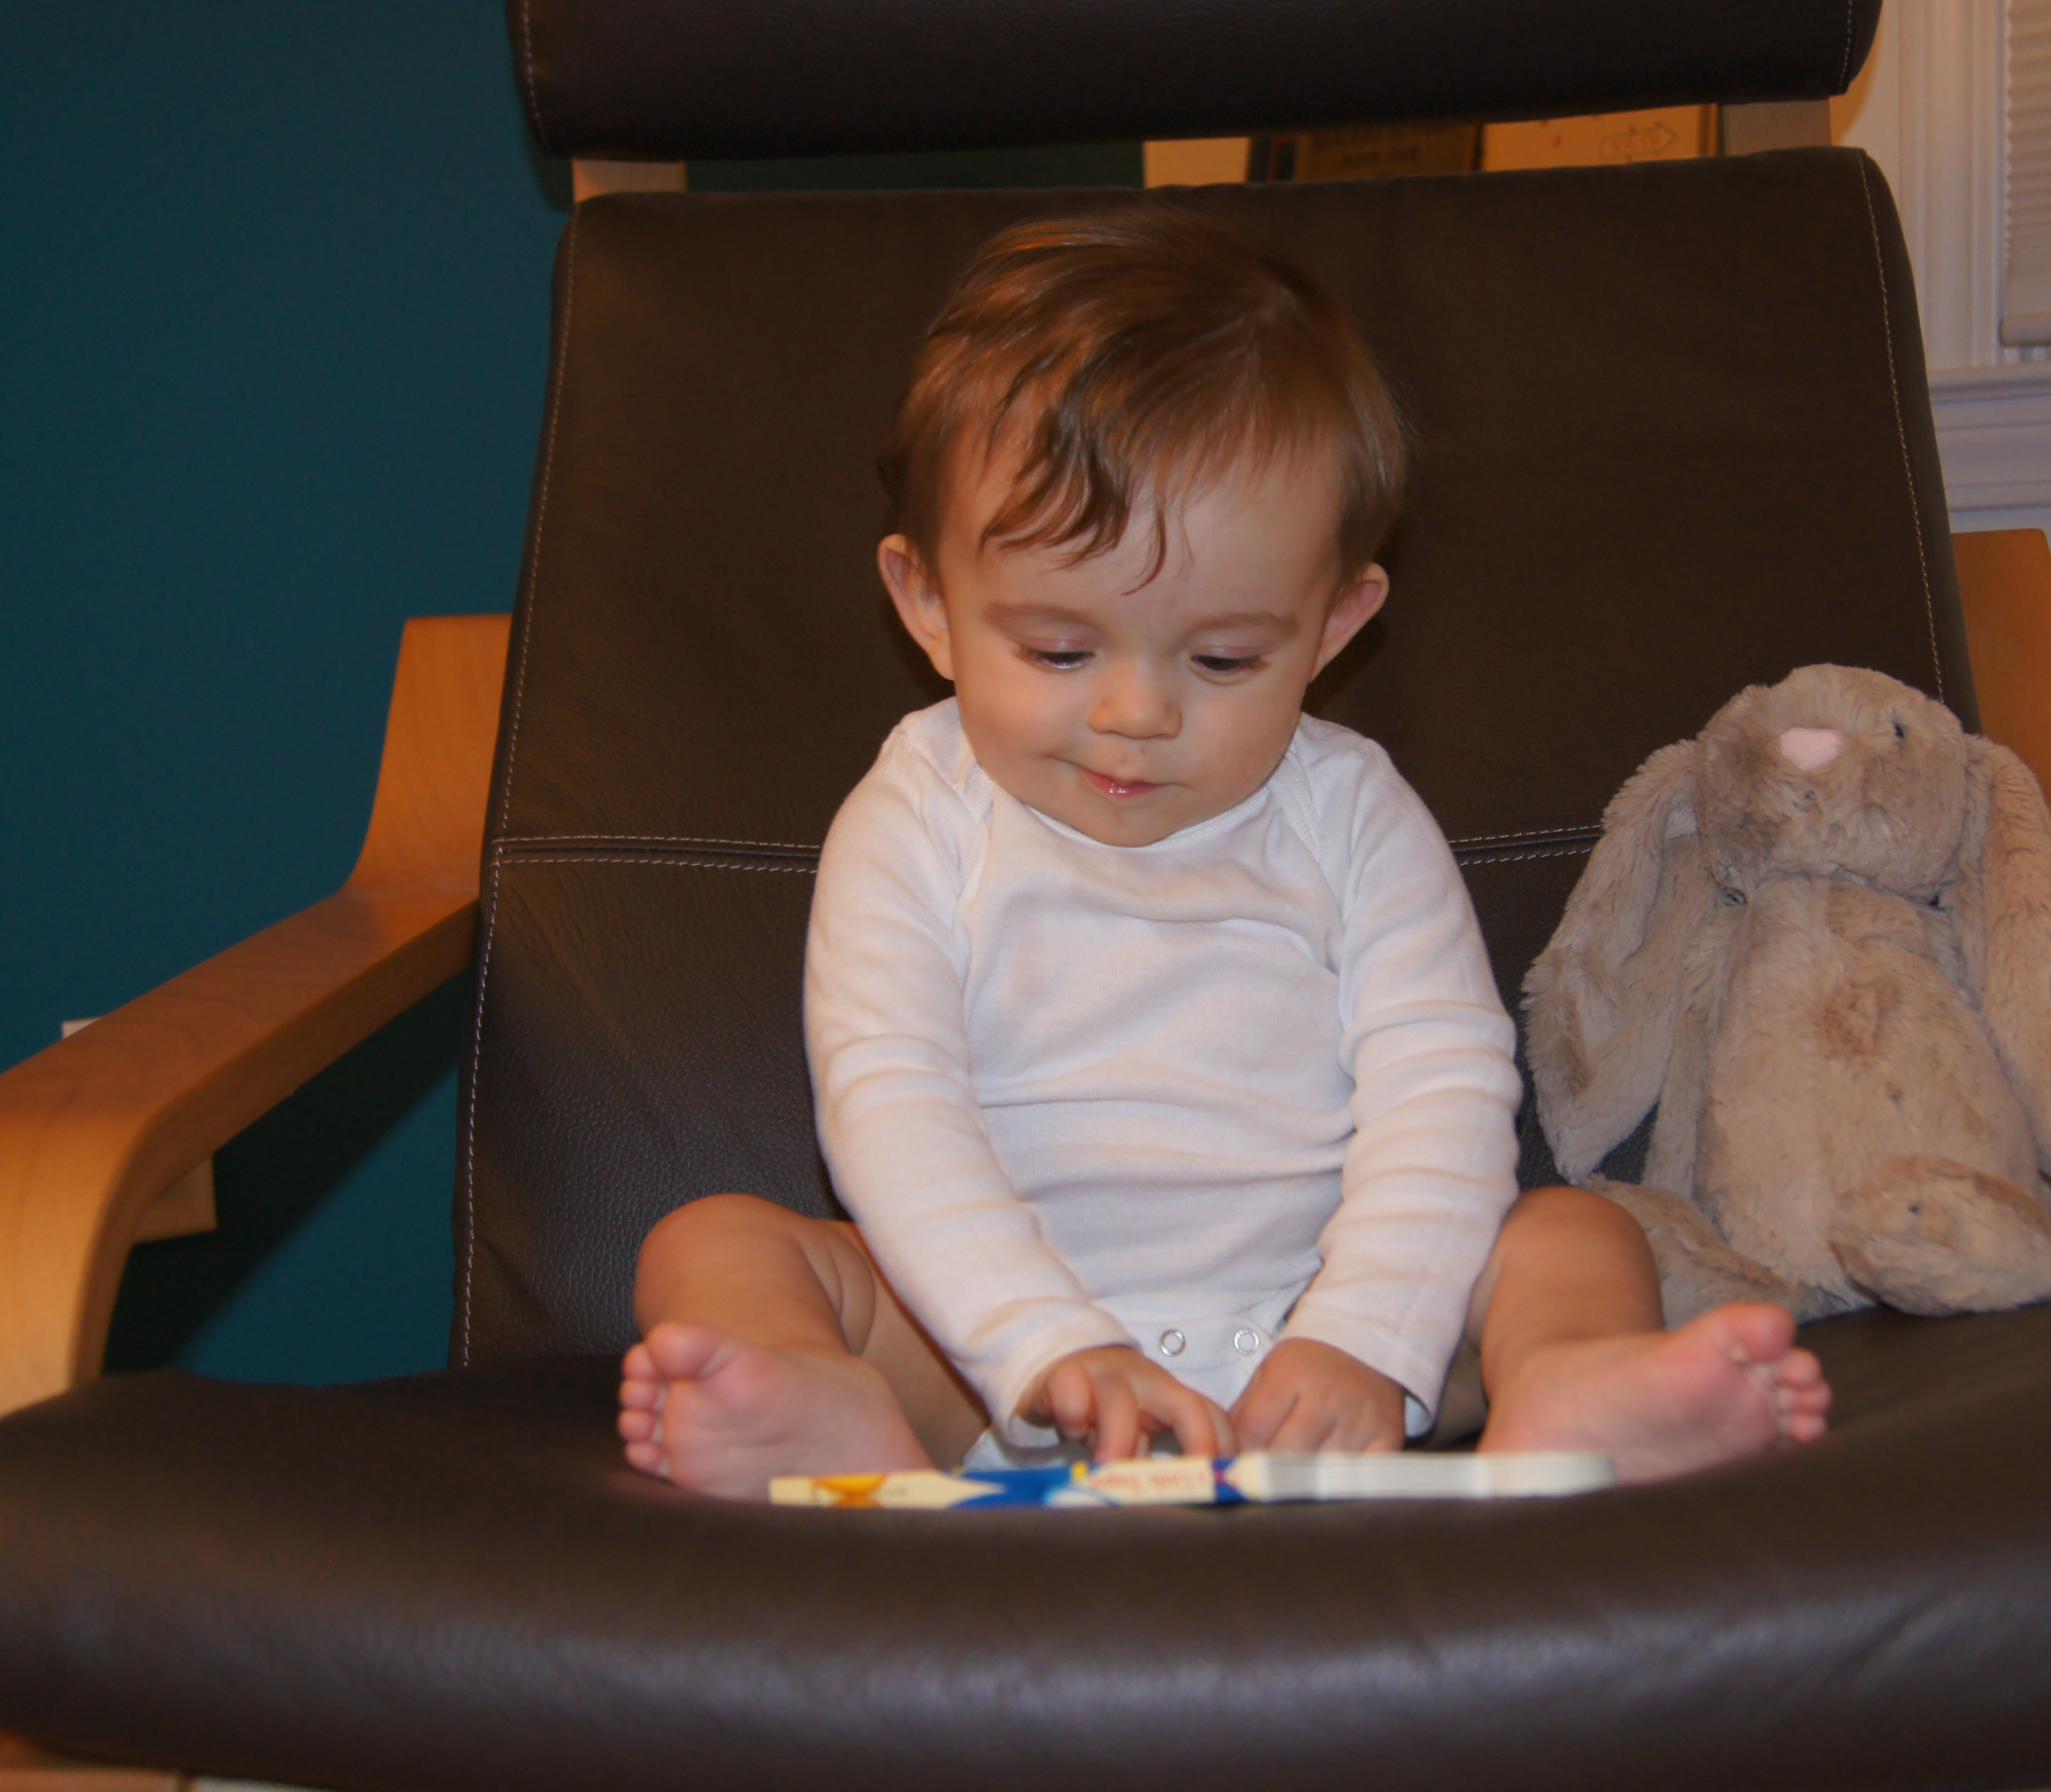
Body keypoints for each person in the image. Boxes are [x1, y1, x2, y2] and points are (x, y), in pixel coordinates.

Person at [618, 206, 1829, 1499]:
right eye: (1058, 649)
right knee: (712, 1242)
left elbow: (1439, 1084)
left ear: (1334, 625)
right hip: (978, 1357)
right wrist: (1043, 1340)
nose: (1135, 712)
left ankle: (1571, 1382)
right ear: (927, 603)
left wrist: (1364, 1332)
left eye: (1222, 659)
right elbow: (888, 1101)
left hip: (1311, 1341)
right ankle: (821, 1404)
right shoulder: (916, 813)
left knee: (1572, 1232)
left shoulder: (1349, 813)